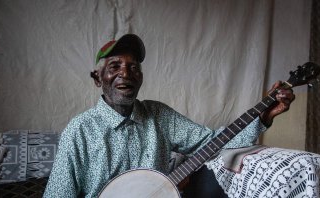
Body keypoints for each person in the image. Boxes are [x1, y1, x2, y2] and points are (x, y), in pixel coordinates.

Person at [44, 34, 295, 197]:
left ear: (141, 77)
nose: (126, 73)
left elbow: (213, 142)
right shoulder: (79, 131)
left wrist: (264, 117)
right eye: (115, 66)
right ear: (98, 79)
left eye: (134, 67)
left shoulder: (158, 115)